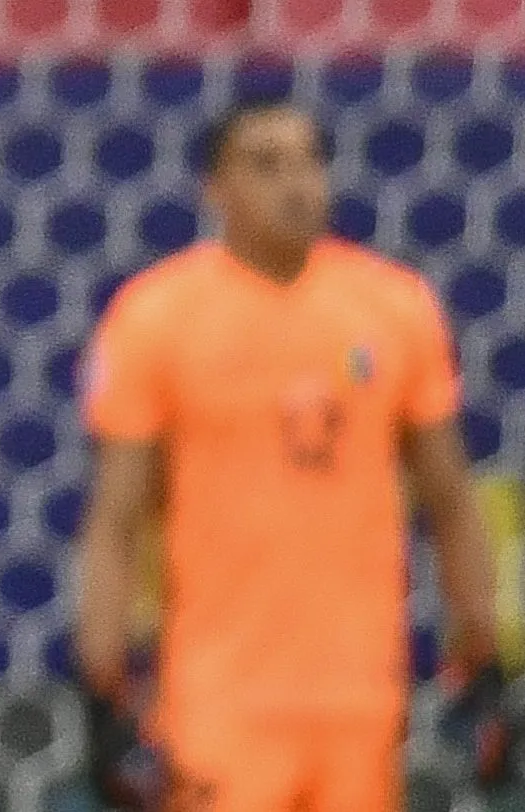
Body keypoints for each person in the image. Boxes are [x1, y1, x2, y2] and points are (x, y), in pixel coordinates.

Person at [74, 98, 509, 810]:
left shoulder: (394, 308)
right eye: (265, 164)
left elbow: (450, 499)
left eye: (310, 160)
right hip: (221, 696)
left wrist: (481, 656)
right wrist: (101, 683)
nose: (296, 183)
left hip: (361, 695)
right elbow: (114, 521)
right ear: (214, 189)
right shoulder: (156, 317)